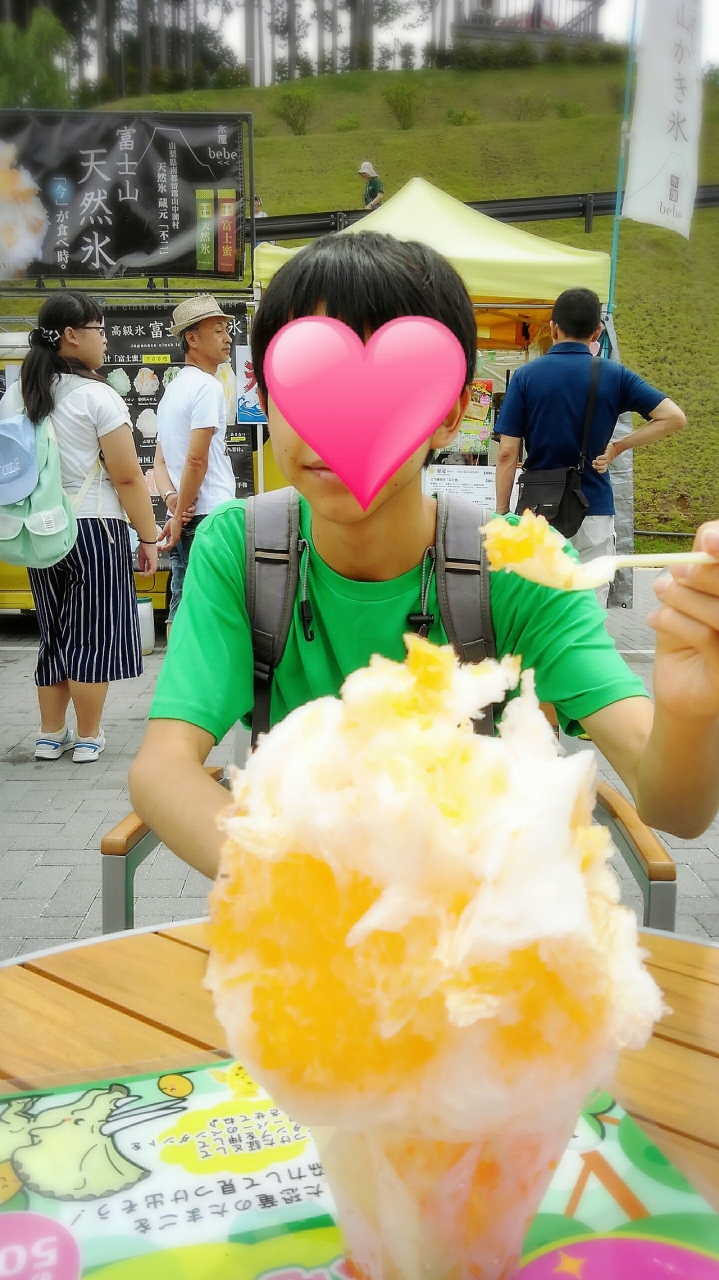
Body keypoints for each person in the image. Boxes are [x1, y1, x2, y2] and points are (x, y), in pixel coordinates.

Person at [130, 233, 719, 882]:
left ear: (447, 414)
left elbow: (675, 808)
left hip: (474, 925)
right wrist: (318, 895)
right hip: (294, 921)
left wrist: (689, 708)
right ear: (267, 401)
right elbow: (163, 767)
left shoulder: (518, 568)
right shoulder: (240, 548)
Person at [0, 291, 158, 762]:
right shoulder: (98, 396)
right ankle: (88, 736)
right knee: (92, 635)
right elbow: (127, 477)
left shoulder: (17, 393)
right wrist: (148, 536)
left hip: (41, 530)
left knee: (52, 633)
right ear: (71, 335)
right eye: (98, 329)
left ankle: (50, 735)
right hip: (94, 530)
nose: (105, 339)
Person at [495, 287, 686, 604]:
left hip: (537, 510)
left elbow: (506, 453)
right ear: (597, 332)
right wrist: (619, 447)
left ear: (553, 328)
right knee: (589, 604)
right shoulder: (615, 375)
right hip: (593, 506)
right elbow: (673, 417)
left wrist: (502, 511)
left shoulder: (526, 377)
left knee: (536, 602)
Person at [152, 295, 236, 629]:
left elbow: (159, 463)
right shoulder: (206, 387)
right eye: (218, 330)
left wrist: (173, 500)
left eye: (226, 329)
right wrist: (179, 513)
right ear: (192, 338)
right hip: (209, 516)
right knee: (207, 609)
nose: (227, 338)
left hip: (188, 515)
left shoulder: (172, 390)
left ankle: (178, 662)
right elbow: (197, 458)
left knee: (182, 603)